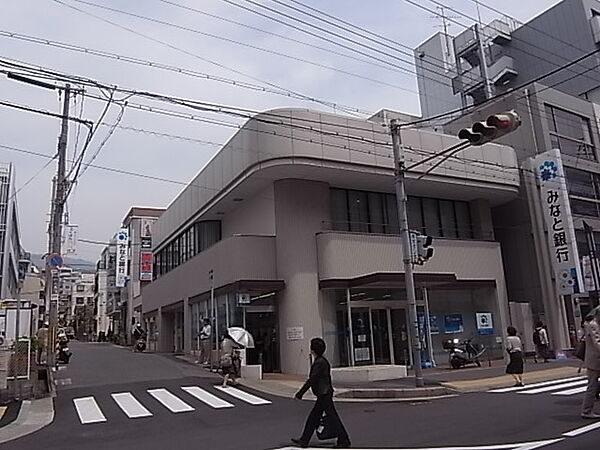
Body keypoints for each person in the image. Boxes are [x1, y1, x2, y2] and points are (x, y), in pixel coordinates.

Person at [292, 338, 351, 449]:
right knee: (314, 418)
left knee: (332, 417)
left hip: (324, 394)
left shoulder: (319, 363)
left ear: (313, 349)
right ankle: (304, 440)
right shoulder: (322, 361)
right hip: (324, 394)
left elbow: (312, 379)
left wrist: (300, 393)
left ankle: (344, 439)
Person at [581, 306, 600, 419]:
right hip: (595, 360)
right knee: (592, 386)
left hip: (596, 359)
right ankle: (586, 411)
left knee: (592, 385)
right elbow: (597, 343)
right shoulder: (594, 325)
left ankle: (587, 410)